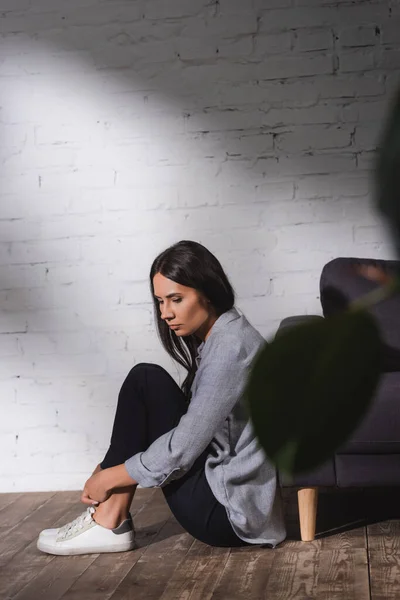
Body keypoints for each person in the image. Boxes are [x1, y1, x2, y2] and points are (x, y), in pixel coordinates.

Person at [37, 240, 286, 555]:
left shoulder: (230, 349)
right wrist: (109, 466)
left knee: (145, 380)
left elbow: (182, 450)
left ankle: (109, 520)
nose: (166, 313)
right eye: (160, 301)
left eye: (176, 299)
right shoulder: (223, 333)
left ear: (207, 292)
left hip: (227, 515)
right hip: (225, 495)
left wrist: (111, 475)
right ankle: (110, 518)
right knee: (146, 381)